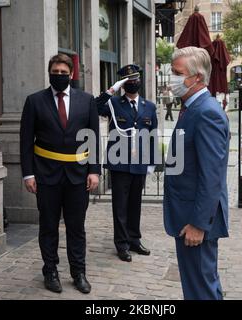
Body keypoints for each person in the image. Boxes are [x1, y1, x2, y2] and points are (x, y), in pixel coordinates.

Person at [20, 53, 100, 294]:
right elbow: (26, 141)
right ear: (49, 73)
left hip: (78, 176)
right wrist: (28, 174)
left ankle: (79, 272)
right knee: (48, 226)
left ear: (72, 75)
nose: (59, 76)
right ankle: (50, 271)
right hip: (46, 176)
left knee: (77, 227)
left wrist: (94, 171)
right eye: (55, 73)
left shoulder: (87, 101)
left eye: (64, 73)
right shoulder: (34, 101)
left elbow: (93, 139)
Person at [163, 47, 230, 300]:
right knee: (200, 286)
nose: (172, 78)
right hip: (187, 215)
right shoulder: (192, 107)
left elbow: (212, 176)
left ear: (198, 78)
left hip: (195, 221)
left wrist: (199, 224)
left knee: (201, 289)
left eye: (177, 73)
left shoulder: (206, 112)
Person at [95, 64, 158, 262]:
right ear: (123, 83)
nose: (133, 82)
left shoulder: (149, 106)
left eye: (136, 79)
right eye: (128, 80)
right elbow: (94, 107)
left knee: (135, 204)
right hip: (119, 163)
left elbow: (152, 135)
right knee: (120, 205)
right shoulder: (113, 103)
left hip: (139, 163)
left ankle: (134, 240)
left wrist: (152, 162)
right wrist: (111, 89)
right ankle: (121, 244)